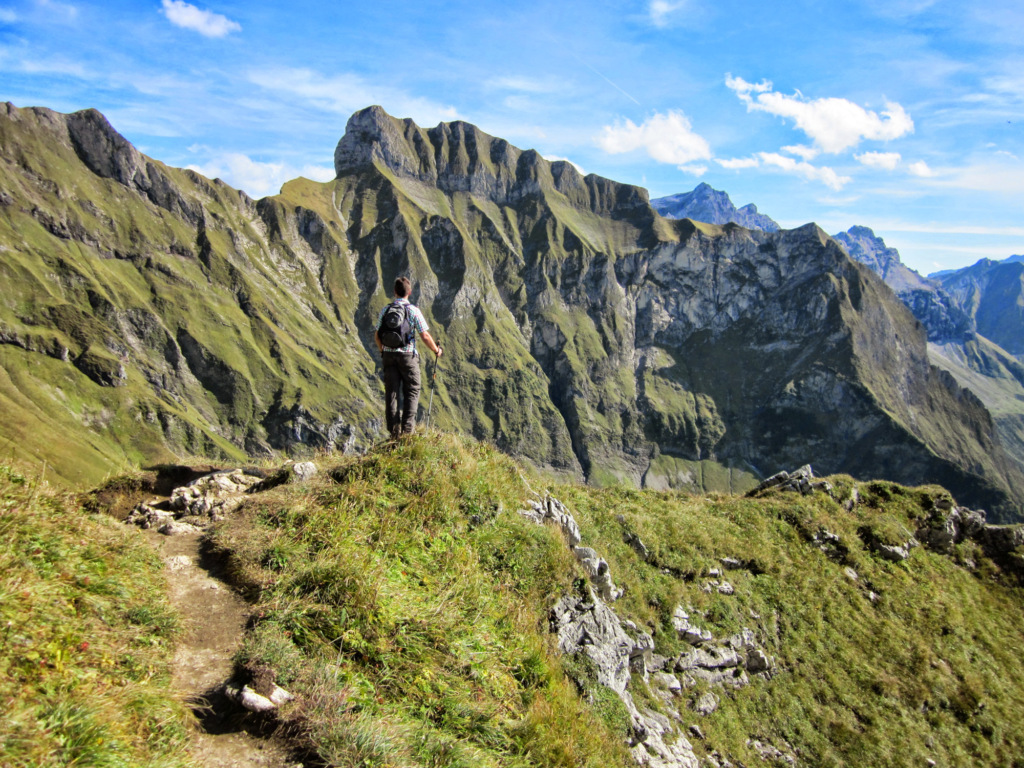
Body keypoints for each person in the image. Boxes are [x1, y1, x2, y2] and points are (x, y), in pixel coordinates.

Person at [374, 277, 443, 437]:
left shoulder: (386, 310)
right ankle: (407, 433)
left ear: (395, 292)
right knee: (412, 390)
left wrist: (383, 351)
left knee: (391, 394)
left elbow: (377, 335)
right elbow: (424, 335)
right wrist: (436, 350)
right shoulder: (413, 310)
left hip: (389, 356)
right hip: (408, 356)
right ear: (409, 292)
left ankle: (394, 434)